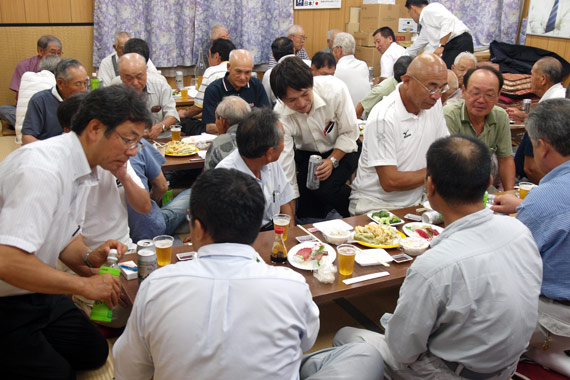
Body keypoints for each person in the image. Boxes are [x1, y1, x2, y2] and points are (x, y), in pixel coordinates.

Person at [113, 168, 384, 380]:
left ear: (195, 227)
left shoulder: (157, 286)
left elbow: (129, 371)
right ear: (257, 229)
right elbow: (305, 342)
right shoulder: (291, 286)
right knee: (365, 355)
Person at [336, 135, 542, 379]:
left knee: (345, 336)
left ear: (430, 186)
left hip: (452, 373)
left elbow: (402, 351)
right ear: (487, 182)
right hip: (507, 367)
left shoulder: (433, 265)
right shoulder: (520, 232)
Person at [0, 84, 152, 379]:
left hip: (40, 291)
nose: (132, 151)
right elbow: (7, 261)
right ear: (95, 128)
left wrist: (87, 256)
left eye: (138, 143)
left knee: (93, 352)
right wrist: (82, 286)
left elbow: (65, 237)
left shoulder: (85, 168)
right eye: (128, 140)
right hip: (7, 299)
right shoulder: (42, 169)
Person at [492, 99, 570, 377]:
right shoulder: (543, 200)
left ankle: (537, 349)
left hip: (556, 319)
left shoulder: (545, 199)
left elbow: (509, 265)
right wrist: (525, 206)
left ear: (543, 146)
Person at [349, 53, 449, 214]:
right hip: (376, 205)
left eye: (442, 87)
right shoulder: (383, 117)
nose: (437, 96)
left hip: (417, 201)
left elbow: (445, 150)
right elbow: (390, 181)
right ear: (407, 80)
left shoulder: (433, 105)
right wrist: (437, 171)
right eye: (431, 87)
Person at [271, 56, 360, 219]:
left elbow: (350, 133)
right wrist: (288, 226)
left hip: (343, 149)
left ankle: (357, 209)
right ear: (281, 99)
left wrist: (332, 161)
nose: (301, 103)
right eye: (292, 100)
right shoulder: (280, 113)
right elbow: (286, 168)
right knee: (306, 211)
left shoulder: (335, 90)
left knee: (326, 189)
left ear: (312, 82)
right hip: (308, 155)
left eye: (305, 94)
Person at [217, 108, 295, 229]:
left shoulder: (271, 162)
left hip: (272, 229)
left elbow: (285, 202)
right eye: (283, 138)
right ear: (269, 152)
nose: (284, 144)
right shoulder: (226, 177)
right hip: (243, 237)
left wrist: (288, 236)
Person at [444, 66, 515, 191]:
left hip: (484, 187)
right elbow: (450, 165)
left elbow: (505, 159)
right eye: (475, 93)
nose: (481, 100)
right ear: (463, 91)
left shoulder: (500, 116)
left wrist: (509, 193)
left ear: (498, 95)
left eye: (489, 95)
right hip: (452, 186)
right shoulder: (449, 115)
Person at [509, 57, 566, 184]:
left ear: (543, 79)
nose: (530, 79)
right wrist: (525, 117)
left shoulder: (549, 108)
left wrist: (552, 188)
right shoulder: (561, 99)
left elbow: (531, 169)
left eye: (532, 75)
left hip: (534, 181)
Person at [0, 35, 63, 128]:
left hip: (52, 110)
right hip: (28, 110)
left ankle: (25, 126)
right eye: (53, 52)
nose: (56, 56)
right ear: (40, 51)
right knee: (4, 109)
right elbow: (19, 97)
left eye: (59, 53)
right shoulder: (24, 66)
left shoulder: (62, 66)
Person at [21, 58, 88, 145]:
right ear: (60, 83)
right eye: (78, 84)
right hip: (49, 151)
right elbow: (27, 138)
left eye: (85, 83)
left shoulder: (87, 99)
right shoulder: (40, 101)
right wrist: (51, 150)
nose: (83, 89)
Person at [202, 49, 270, 134]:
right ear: (228, 67)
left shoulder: (256, 85)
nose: (242, 77)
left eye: (247, 72)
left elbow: (267, 119)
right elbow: (210, 127)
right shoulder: (213, 90)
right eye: (238, 71)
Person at [179, 38, 236, 136]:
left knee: (184, 122)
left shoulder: (212, 71)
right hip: (237, 123)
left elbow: (198, 107)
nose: (208, 60)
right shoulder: (239, 71)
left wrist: (184, 114)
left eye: (209, 56)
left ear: (217, 56)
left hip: (216, 126)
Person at [117, 53, 179, 140]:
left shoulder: (161, 86)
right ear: (120, 75)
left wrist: (161, 126)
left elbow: (172, 115)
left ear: (146, 71)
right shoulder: (113, 91)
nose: (135, 83)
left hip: (159, 140)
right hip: (127, 143)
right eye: (129, 78)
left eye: (139, 77)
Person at [405, 0, 474, 68]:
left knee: (448, 73)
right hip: (451, 45)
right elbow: (416, 47)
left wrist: (441, 46)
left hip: (459, 41)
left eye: (409, 12)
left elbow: (448, 20)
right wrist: (401, 56)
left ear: (412, 8)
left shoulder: (429, 9)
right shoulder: (426, 26)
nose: (410, 16)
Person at [14, 55, 61, 144]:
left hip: (20, 134)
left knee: (5, 109)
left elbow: (17, 99)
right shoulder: (55, 82)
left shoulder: (26, 76)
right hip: (34, 139)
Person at [204, 96, 251, 170]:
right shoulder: (259, 137)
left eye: (216, 118)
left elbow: (208, 176)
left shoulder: (218, 143)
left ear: (222, 121)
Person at [263, 37, 311, 106]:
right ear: (294, 50)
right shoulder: (309, 65)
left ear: (273, 56)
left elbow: (267, 103)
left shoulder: (269, 74)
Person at [332, 32, 371, 107]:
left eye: (333, 49)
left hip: (346, 116)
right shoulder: (363, 65)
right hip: (363, 114)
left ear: (338, 49)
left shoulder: (336, 70)